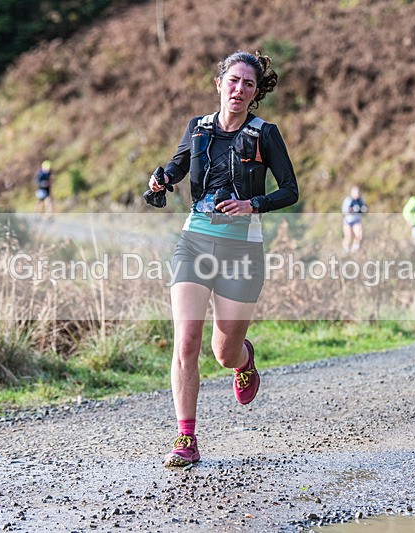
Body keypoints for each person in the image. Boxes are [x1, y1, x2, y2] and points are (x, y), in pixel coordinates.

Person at [148, 50, 299, 467]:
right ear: (219, 83)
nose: (239, 89)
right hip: (194, 243)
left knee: (224, 353)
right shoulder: (197, 129)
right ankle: (185, 437)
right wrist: (160, 179)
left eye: (248, 84)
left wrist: (254, 204)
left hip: (242, 252)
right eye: (233, 80)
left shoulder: (265, 133)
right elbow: (176, 169)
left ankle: (244, 360)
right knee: (187, 341)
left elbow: (290, 189)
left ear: (255, 93)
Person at [341, 186, 367, 253]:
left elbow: (364, 210)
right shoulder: (348, 200)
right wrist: (351, 210)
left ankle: (354, 251)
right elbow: (344, 211)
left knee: (359, 236)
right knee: (348, 237)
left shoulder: (361, 200)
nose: (357, 194)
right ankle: (345, 251)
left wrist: (363, 210)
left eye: (358, 192)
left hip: (356, 221)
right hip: (348, 221)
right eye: (355, 192)